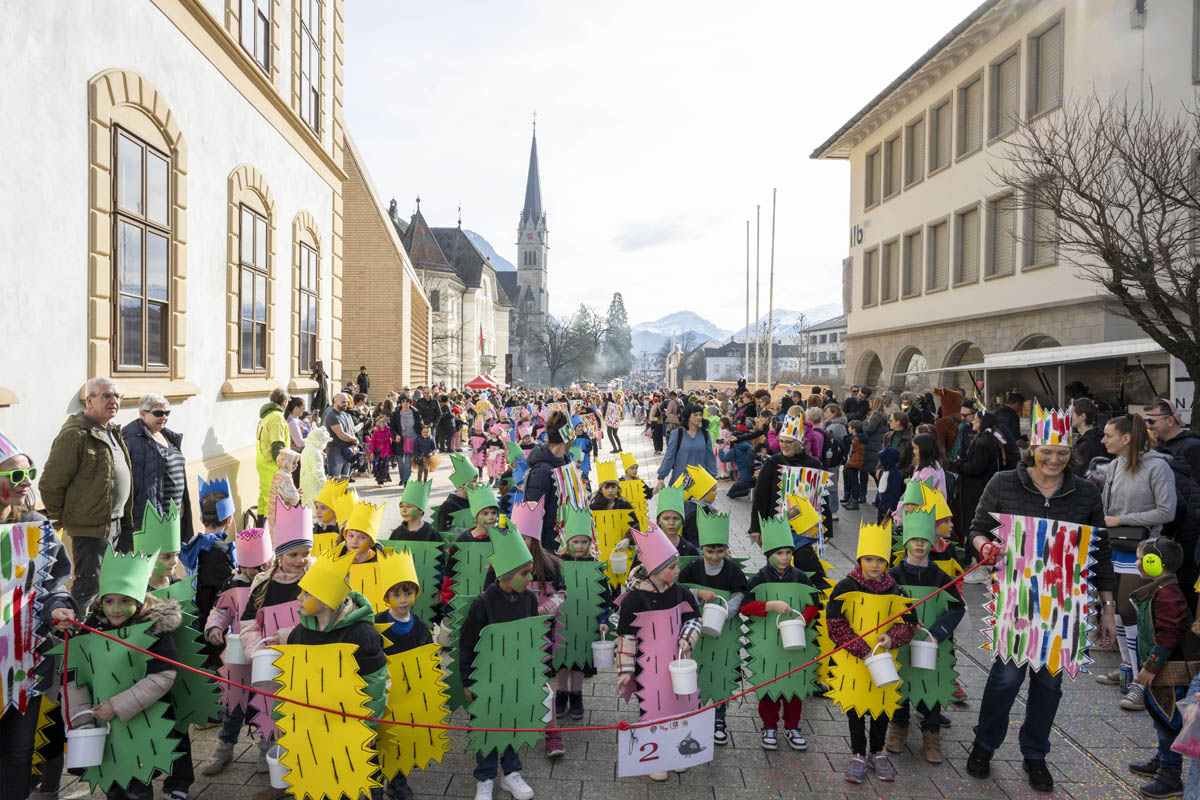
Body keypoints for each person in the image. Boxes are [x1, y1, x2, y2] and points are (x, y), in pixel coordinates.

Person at [965, 404, 1116, 793]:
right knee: (1006, 678)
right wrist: (984, 546)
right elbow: (976, 529)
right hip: (1017, 595)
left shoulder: (1085, 492)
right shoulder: (1004, 482)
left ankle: (1035, 754)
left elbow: (1099, 552)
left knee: (1048, 685)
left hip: (1064, 603)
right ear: (1032, 449)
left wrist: (1107, 607)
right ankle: (984, 744)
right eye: (1047, 451)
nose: (1054, 459)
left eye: (1062, 452)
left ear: (1070, 453)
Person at [66, 549, 182, 800]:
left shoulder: (152, 630)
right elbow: (74, 676)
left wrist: (117, 706)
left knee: (138, 786)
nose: (115, 609)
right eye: (109, 601)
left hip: (142, 724)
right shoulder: (91, 629)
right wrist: (83, 722)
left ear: (139, 600)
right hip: (101, 725)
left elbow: (163, 675)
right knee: (112, 784)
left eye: (125, 601)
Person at [0, 430, 77, 800]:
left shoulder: (36, 527)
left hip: (23, 667)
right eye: (16, 475)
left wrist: (59, 606)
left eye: (29, 472)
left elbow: (54, 582)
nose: (26, 482)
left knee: (18, 755)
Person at [1098, 413, 1177, 712]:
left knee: (1131, 612)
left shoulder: (1158, 466)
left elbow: (1166, 511)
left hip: (1144, 551)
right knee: (1118, 612)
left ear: (1126, 437)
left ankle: (1140, 684)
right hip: (1115, 546)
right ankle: (1127, 669)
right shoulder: (1114, 465)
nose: (1103, 440)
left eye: (1108, 435)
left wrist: (1121, 520)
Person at [827, 522, 917, 784]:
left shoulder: (896, 589)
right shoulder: (845, 587)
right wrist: (862, 650)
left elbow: (909, 623)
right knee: (856, 707)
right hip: (853, 661)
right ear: (860, 560)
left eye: (879, 560)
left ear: (887, 562)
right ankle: (858, 752)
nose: (874, 565)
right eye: (868, 559)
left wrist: (892, 638)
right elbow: (835, 624)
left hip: (884, 661)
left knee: (881, 706)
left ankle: (877, 751)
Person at [616, 524, 701, 783]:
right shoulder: (634, 599)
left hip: (677, 663)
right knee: (653, 709)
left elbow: (693, 619)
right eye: (672, 567)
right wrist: (626, 671)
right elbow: (626, 636)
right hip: (647, 668)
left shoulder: (680, 592)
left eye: (677, 565)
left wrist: (687, 638)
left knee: (677, 707)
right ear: (653, 569)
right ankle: (655, 757)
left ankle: (675, 752)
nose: (677, 571)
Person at [458, 529, 539, 800]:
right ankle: (485, 777)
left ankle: (511, 773)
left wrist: (536, 675)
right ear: (505, 574)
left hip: (517, 677)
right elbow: (467, 644)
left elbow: (532, 638)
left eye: (529, 572)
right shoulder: (483, 604)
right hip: (488, 678)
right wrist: (468, 680)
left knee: (514, 722)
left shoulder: (529, 600)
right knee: (487, 727)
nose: (529, 578)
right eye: (524, 573)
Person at [41, 376, 133, 609]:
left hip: (117, 522)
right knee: (88, 588)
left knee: (111, 587)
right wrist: (65, 519)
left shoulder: (111, 431)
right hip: (91, 528)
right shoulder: (76, 434)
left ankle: (100, 630)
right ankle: (76, 629)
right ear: (89, 401)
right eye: (106, 396)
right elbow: (51, 483)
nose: (114, 401)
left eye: (117, 396)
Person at [886, 507, 963, 764]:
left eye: (924, 540)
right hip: (901, 643)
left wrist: (938, 633)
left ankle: (931, 732)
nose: (919, 545)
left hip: (932, 644)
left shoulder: (940, 577)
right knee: (900, 681)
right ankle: (898, 726)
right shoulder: (893, 576)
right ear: (906, 542)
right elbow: (885, 606)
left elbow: (957, 607)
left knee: (931, 684)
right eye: (914, 540)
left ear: (932, 542)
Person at [739, 510, 820, 752]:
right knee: (769, 686)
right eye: (779, 553)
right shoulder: (760, 579)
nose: (784, 558)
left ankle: (792, 726)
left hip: (795, 641)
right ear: (768, 555)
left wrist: (803, 620)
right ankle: (769, 725)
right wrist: (769, 605)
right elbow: (745, 605)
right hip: (768, 643)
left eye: (788, 553)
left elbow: (814, 603)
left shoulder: (800, 577)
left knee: (794, 685)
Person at [1125, 537, 1199, 798]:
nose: (1137, 563)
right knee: (1161, 717)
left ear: (1156, 563)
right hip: (1163, 669)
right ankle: (1164, 758)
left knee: (1168, 720)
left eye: (1141, 558)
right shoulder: (1160, 589)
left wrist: (1151, 666)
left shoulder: (1167, 594)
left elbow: (1170, 634)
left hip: (1170, 671)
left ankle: (1169, 774)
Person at [200, 526, 273, 776]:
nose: (254, 572)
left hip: (267, 651)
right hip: (238, 653)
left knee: (266, 701)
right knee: (233, 703)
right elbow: (221, 610)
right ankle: (225, 745)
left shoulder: (275, 583)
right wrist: (214, 627)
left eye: (261, 566)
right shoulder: (232, 583)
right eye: (249, 567)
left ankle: (266, 746)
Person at [374, 550, 433, 800]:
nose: (403, 599)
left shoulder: (420, 627)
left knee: (402, 739)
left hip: (408, 695)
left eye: (408, 593)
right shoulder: (376, 624)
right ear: (387, 597)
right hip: (383, 694)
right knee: (380, 737)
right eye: (396, 594)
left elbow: (428, 662)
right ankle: (374, 782)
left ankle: (398, 782)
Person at [122, 393, 193, 551]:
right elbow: (137, 485)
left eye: (167, 413)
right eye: (158, 413)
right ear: (143, 413)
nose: (164, 417)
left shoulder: (167, 435)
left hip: (171, 515)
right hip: (152, 519)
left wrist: (181, 503)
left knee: (169, 558)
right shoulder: (132, 440)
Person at [748, 416, 823, 547]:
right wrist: (755, 527)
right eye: (781, 441)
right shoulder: (772, 462)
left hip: (805, 529)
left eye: (788, 442)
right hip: (776, 525)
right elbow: (761, 496)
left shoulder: (813, 464)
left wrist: (827, 529)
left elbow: (820, 497)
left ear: (800, 443)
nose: (783, 445)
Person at [523, 410, 573, 551]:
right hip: (550, 547)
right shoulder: (542, 472)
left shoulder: (564, 462)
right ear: (567, 436)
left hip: (564, 543)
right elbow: (532, 516)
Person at [656, 403, 717, 493]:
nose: (699, 417)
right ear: (688, 416)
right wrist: (661, 477)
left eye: (700, 415)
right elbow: (669, 456)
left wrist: (713, 477)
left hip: (700, 481)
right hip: (680, 480)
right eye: (695, 415)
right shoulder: (677, 434)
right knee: (680, 501)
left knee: (700, 502)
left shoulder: (705, 434)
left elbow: (710, 457)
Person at [255, 387, 290, 524]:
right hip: (273, 465)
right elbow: (277, 445)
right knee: (274, 498)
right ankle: (268, 529)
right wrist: (284, 467)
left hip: (264, 462)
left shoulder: (266, 417)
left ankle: (261, 526)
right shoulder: (277, 418)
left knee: (265, 495)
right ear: (284, 402)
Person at [1145, 399, 1200, 478]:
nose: (1147, 426)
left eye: (1151, 421)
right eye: (1145, 421)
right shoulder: (1158, 446)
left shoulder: (1193, 446)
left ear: (1170, 421)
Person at [390, 394, 425, 487]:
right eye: (403, 401)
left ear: (410, 403)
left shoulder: (415, 412)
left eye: (407, 401)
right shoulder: (396, 414)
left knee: (408, 461)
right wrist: (396, 435)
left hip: (412, 439)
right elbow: (392, 427)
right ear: (400, 403)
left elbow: (421, 425)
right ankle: (402, 478)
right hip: (400, 440)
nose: (405, 403)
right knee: (400, 462)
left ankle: (406, 480)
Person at [323, 392, 358, 479]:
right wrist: (354, 440)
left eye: (347, 402)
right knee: (335, 479)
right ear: (335, 402)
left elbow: (351, 431)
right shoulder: (332, 415)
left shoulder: (346, 415)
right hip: (335, 450)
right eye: (343, 402)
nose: (346, 404)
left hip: (347, 450)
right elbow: (341, 434)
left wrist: (355, 445)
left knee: (344, 478)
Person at [1070, 397, 1106, 474]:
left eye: (1071, 413)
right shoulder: (1098, 437)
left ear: (1083, 416)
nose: (1067, 416)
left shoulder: (1086, 445)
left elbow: (1078, 473)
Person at [843, 419, 867, 509]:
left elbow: (850, 449)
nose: (848, 429)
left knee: (854, 483)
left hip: (853, 462)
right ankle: (852, 499)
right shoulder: (859, 437)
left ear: (854, 429)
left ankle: (854, 501)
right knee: (853, 481)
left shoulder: (855, 439)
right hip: (855, 462)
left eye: (849, 427)